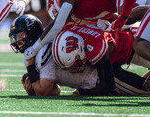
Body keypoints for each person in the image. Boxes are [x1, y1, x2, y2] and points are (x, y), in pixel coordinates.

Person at [9, 14, 150, 96]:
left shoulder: (42, 51)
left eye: (20, 36)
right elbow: (55, 90)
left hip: (105, 74)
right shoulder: (40, 51)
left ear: (32, 32)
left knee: (146, 90)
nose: (17, 41)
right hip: (95, 77)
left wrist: (31, 69)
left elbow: (44, 89)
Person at [24, 0, 150, 61]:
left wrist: (35, 48)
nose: (70, 19)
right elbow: (118, 22)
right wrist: (106, 25)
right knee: (130, 22)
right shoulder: (82, 13)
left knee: (127, 14)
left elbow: (57, 25)